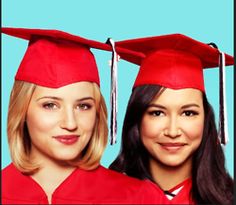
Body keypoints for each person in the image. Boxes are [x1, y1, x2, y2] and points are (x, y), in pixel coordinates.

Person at [1, 27, 166, 204]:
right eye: (50, 105)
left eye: (83, 106)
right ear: (22, 111)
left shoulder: (138, 198)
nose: (70, 123)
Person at [110, 34, 234, 204]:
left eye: (188, 113)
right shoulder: (105, 196)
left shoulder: (229, 198)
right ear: (137, 119)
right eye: (157, 113)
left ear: (206, 119)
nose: (173, 131)